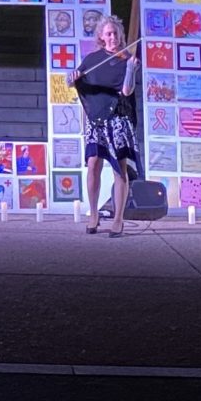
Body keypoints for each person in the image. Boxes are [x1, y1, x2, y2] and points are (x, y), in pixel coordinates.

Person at [72, 15, 138, 238]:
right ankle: (93, 214)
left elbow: (127, 91)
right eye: (108, 33)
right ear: (101, 36)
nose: (112, 37)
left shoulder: (127, 59)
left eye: (115, 33)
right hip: (96, 121)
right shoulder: (92, 59)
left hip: (117, 118)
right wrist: (71, 78)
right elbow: (76, 81)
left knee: (119, 168)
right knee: (93, 165)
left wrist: (131, 69)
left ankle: (118, 219)